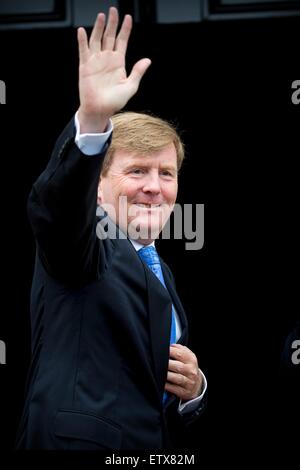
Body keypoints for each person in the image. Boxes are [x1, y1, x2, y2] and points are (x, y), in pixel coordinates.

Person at [16, 7, 207, 450]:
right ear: (97, 188)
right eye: (137, 170)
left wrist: (195, 390)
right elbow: (55, 208)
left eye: (166, 173)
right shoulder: (84, 246)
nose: (154, 188)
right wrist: (94, 123)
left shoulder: (159, 269)